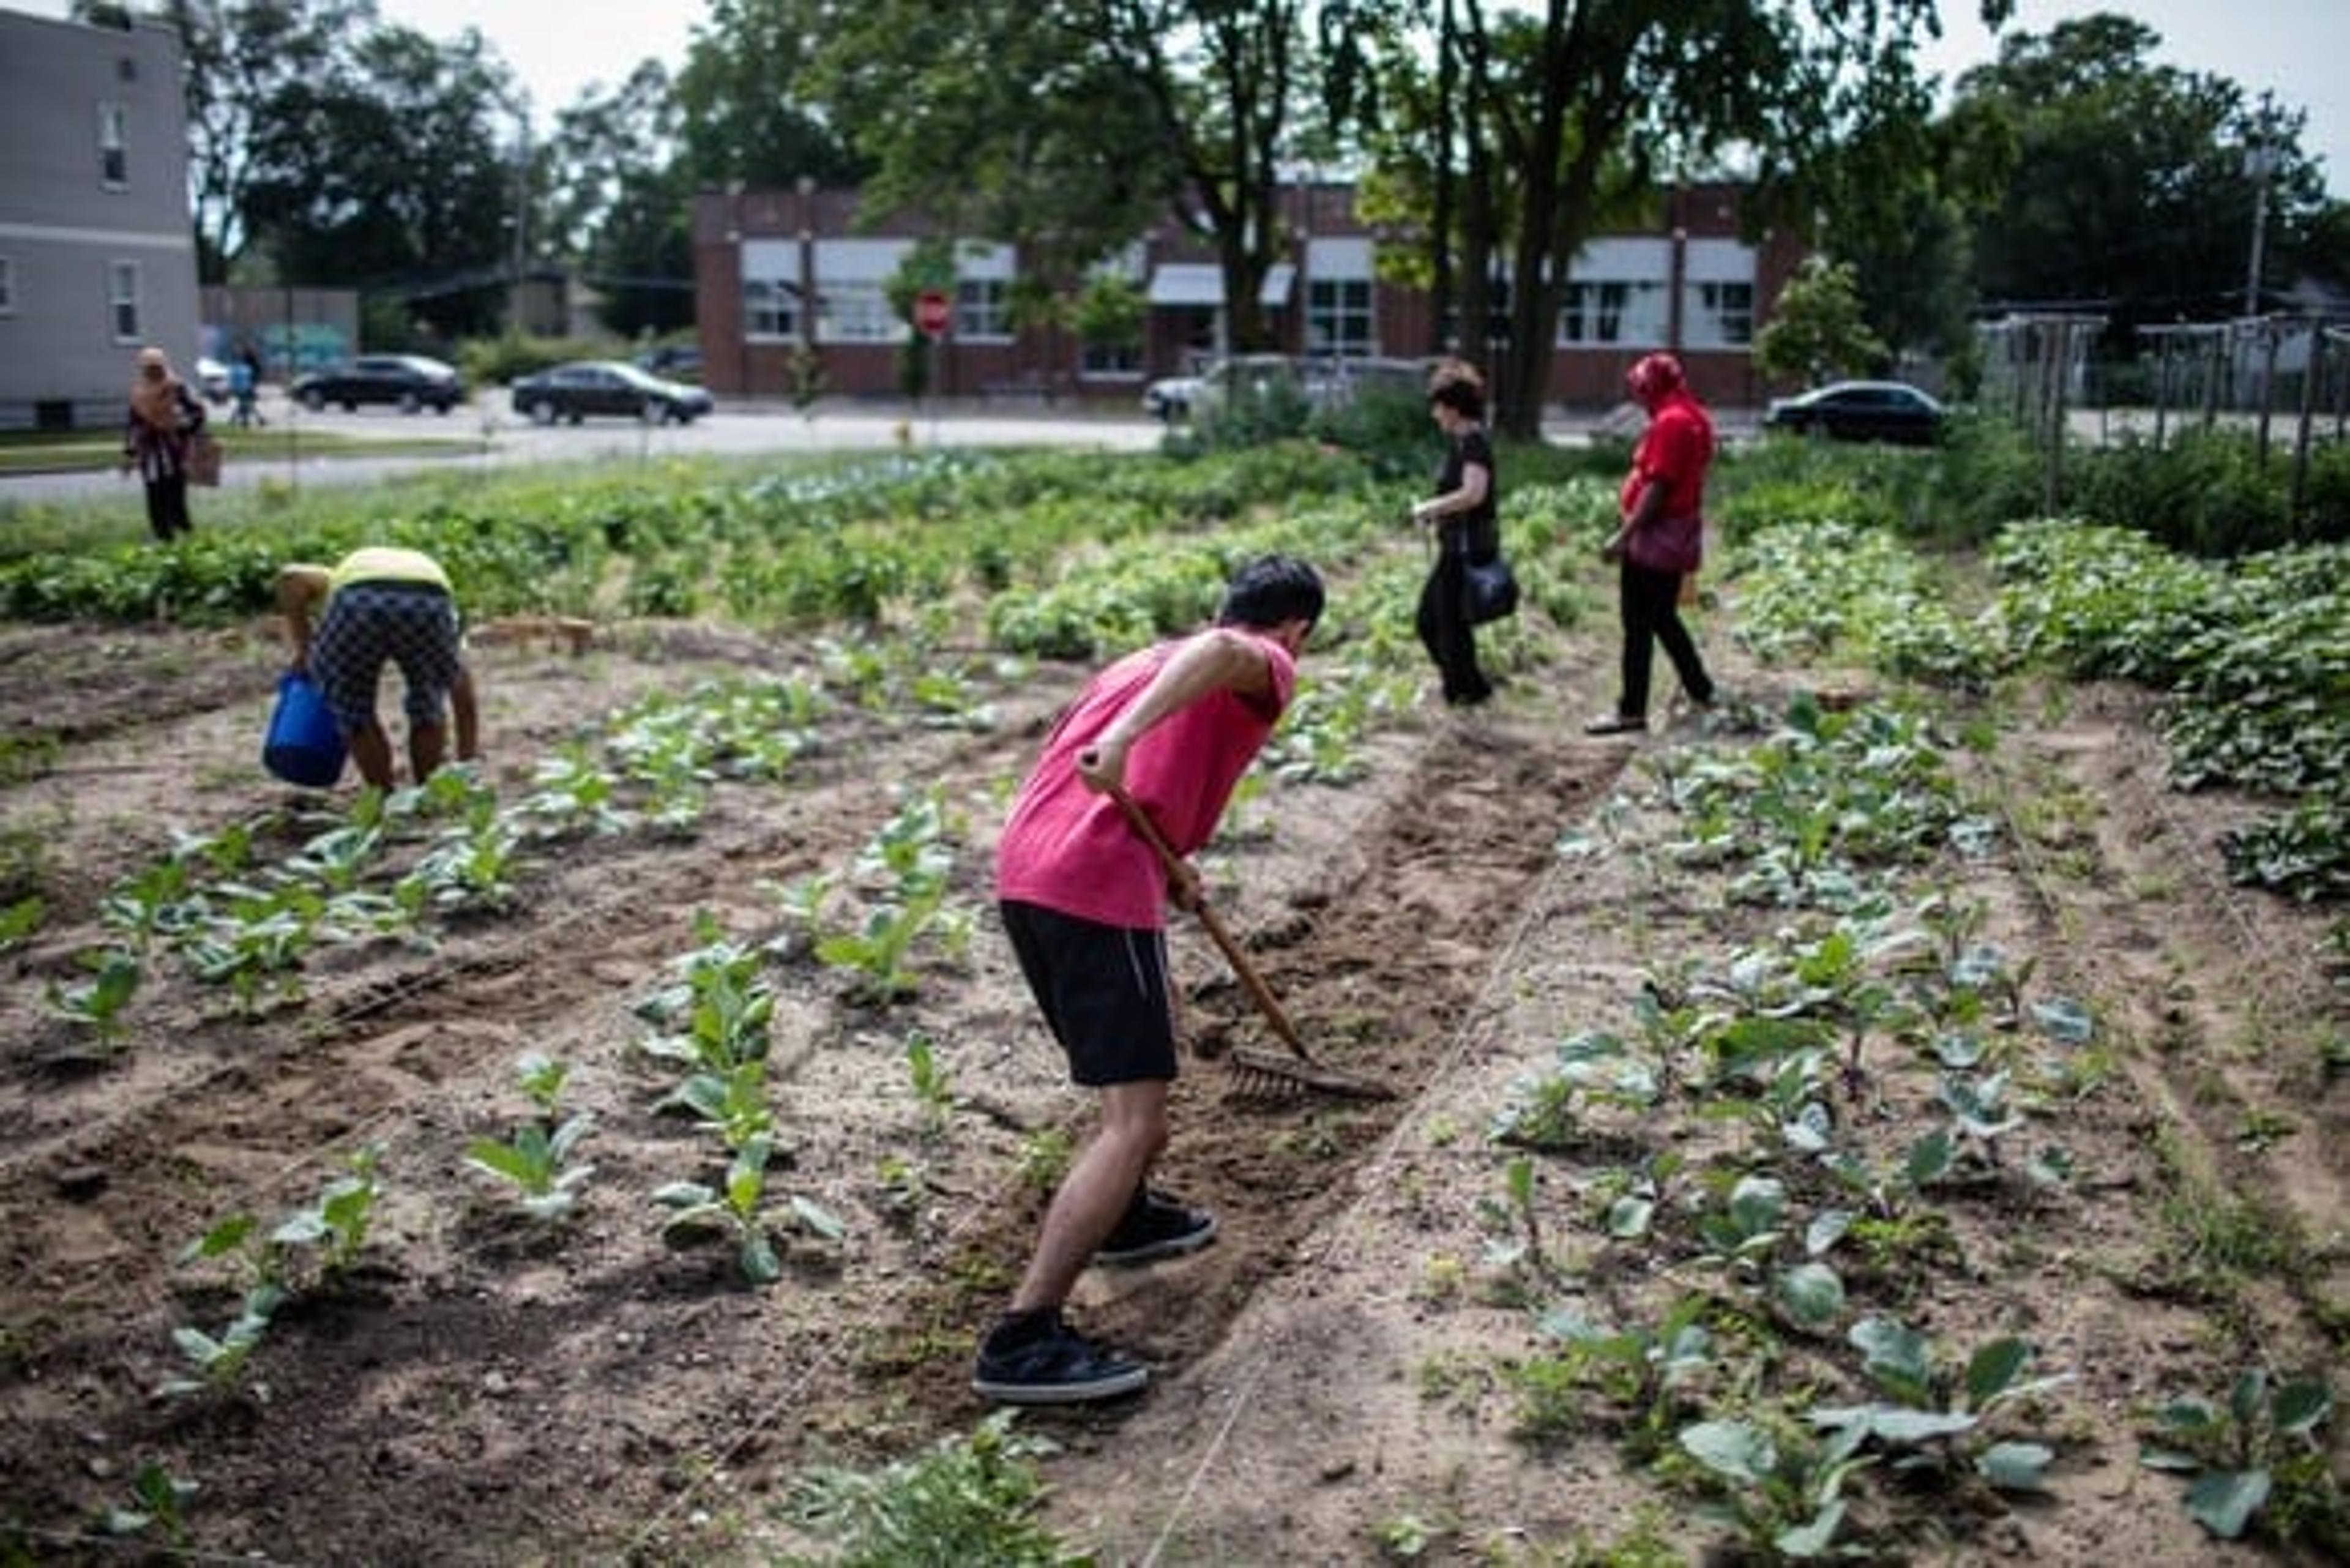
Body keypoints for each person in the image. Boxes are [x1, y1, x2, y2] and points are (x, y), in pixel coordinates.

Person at [976, 554, 1324, 1405]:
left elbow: (1078, 770)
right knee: (1135, 1120)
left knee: (1136, 1094)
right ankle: (1024, 1337)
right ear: (1295, 630)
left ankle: (1125, 1217)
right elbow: (1223, 655)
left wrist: (1168, 863)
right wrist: (1129, 739)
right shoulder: (1258, 655)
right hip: (1091, 884)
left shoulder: (1134, 663)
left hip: (1031, 875)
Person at [276, 547, 482, 790]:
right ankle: (427, 796)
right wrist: (467, 762)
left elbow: (290, 576)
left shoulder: (339, 575)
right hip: (429, 601)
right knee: (429, 704)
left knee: (355, 710)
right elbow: (463, 695)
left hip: (355, 600)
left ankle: (383, 798)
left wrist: (305, 648)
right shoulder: (447, 607)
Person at [1588, 352, 1716, 735]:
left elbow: (1658, 487)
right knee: (1661, 616)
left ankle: (1631, 711)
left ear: (1651, 388)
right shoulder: (1692, 415)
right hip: (1676, 532)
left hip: (1656, 536)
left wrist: (1623, 536)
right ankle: (1700, 688)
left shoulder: (1672, 423)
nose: (1638, 396)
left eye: (1641, 389)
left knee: (1639, 622)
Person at [1408, 359, 1500, 708]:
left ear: (1453, 408)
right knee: (1447, 622)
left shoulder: (1474, 443)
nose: (1435, 415)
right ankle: (1469, 689)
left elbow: (1473, 494)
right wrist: (1437, 513)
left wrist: (1429, 509)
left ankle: (1464, 691)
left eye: (1439, 407)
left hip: (1465, 549)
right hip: (1457, 545)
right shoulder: (1463, 444)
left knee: (1436, 622)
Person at [120, 346, 206, 542]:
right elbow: (133, 426)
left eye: (157, 366)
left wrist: (181, 424)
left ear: (164, 365)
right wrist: (131, 453)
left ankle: (186, 537)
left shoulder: (179, 388)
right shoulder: (138, 393)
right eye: (148, 367)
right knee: (154, 497)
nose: (153, 371)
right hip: (150, 454)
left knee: (176, 497)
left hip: (175, 451)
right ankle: (163, 538)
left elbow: (198, 413)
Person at [229, 349, 265, 428]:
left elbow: (233, 379)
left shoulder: (237, 367)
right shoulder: (246, 368)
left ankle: (238, 420)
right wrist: (251, 387)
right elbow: (248, 378)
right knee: (247, 404)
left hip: (241, 388)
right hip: (245, 388)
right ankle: (248, 421)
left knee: (244, 405)